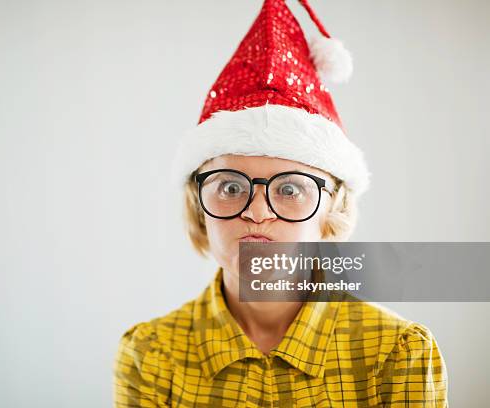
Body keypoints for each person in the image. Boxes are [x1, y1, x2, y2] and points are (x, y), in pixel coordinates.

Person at [113, 0, 448, 406]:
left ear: (332, 209)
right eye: (231, 188)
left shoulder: (398, 354)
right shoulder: (151, 355)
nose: (256, 211)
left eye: (289, 190)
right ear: (199, 207)